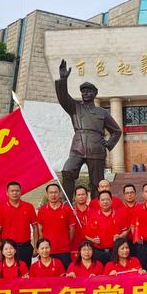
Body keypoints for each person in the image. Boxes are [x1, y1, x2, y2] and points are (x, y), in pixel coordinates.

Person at [55, 59, 122, 200]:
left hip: (96, 148)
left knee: (96, 182)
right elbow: (62, 98)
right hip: (78, 147)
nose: (85, 93)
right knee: (67, 171)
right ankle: (67, 202)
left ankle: (97, 205)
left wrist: (109, 144)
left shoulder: (102, 112)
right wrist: (63, 79)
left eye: (88, 91)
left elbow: (116, 131)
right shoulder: (75, 108)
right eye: (83, 91)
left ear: (95, 93)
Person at [0, 181, 38, 267]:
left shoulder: (29, 207)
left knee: (25, 273)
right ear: (7, 193)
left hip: (25, 246)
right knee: (8, 275)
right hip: (7, 248)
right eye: (12, 191)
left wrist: (36, 247)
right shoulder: (1, 209)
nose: (15, 193)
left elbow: (35, 227)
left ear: (20, 192)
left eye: (17, 191)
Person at [84, 190, 129, 265]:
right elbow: (86, 235)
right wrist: (93, 240)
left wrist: (120, 236)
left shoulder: (119, 215)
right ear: (98, 202)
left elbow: (126, 230)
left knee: (114, 274)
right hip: (98, 252)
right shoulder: (93, 216)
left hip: (115, 251)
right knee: (100, 274)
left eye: (107, 199)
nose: (105, 202)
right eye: (102, 200)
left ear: (111, 201)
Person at [37, 183, 76, 269]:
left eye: (55, 192)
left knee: (65, 276)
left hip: (64, 250)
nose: (53, 195)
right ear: (47, 194)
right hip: (47, 251)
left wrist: (66, 242)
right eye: (51, 193)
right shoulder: (42, 211)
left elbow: (72, 229)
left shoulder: (67, 209)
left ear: (60, 194)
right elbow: (40, 230)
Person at [71, 186, 91, 260]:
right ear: (75, 197)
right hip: (74, 247)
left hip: (90, 248)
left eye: (83, 194)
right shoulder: (70, 212)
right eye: (79, 195)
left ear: (87, 196)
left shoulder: (93, 212)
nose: (81, 197)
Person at [122, 183, 140, 257]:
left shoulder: (140, 207)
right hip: (124, 241)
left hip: (138, 241)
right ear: (124, 194)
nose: (129, 195)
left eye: (131, 192)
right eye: (127, 193)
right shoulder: (120, 209)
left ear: (135, 193)